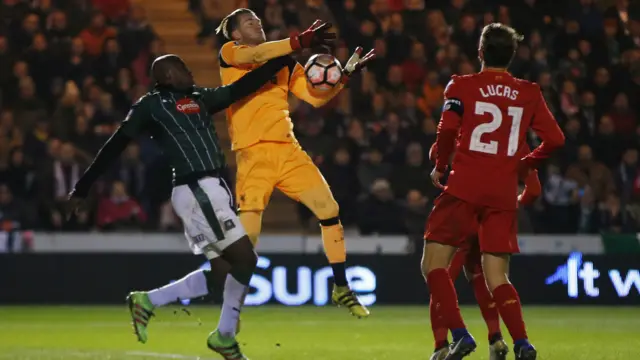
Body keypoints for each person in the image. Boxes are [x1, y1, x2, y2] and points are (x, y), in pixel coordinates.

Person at [66, 53, 292, 360]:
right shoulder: (151, 105)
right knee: (246, 260)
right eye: (183, 68)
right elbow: (115, 145)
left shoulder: (199, 98)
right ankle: (225, 337)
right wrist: (83, 187)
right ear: (168, 76)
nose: (190, 71)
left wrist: (285, 57)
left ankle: (148, 301)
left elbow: (242, 87)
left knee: (222, 273)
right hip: (197, 188)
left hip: (210, 189)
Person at [215, 9, 375, 317]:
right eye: (248, 21)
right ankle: (226, 302)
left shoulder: (285, 61)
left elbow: (315, 97)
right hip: (253, 153)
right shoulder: (231, 53)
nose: (256, 23)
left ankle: (341, 287)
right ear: (235, 34)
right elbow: (260, 52)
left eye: (257, 20)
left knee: (329, 210)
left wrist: (343, 76)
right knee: (248, 237)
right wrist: (298, 40)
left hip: (288, 149)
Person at [422, 23, 565, 360]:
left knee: (433, 266)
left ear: (481, 51)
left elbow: (448, 129)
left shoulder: (461, 85)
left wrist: (441, 166)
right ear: (512, 55)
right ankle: (523, 343)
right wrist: (524, 162)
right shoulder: (529, 92)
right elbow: (556, 139)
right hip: (502, 195)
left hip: (464, 188)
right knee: (496, 276)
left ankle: (458, 335)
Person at [427, 143, 542, 360]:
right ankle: (506, 339)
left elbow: (437, 151)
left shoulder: (469, 129)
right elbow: (534, 189)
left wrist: (442, 163)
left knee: (439, 275)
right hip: (498, 212)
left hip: (464, 208)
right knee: (490, 278)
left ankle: (442, 344)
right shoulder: (515, 136)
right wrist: (515, 202)